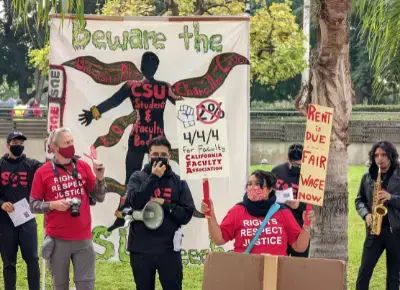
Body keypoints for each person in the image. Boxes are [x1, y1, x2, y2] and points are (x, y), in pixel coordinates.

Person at [29, 127, 107, 290]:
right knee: (60, 286)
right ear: (55, 147)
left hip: (83, 238)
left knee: (86, 285)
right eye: (66, 143)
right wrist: (52, 205)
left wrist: (100, 178)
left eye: (72, 142)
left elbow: (99, 196)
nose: (71, 146)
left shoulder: (83, 167)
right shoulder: (42, 172)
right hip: (57, 240)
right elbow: (33, 205)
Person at [127, 136, 195, 290]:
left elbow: (186, 214)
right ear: (149, 156)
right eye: (156, 154)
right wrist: (153, 177)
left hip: (169, 250)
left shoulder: (179, 181)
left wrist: (166, 204)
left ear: (169, 157)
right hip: (141, 249)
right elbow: (135, 202)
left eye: (164, 155)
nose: (160, 158)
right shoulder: (137, 177)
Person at [201, 170, 314, 255]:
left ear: (269, 189)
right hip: (245, 275)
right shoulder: (238, 210)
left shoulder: (282, 212)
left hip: (275, 275)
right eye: (250, 184)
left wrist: (306, 225)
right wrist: (211, 215)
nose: (253, 187)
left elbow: (300, 247)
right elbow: (219, 239)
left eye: (258, 184)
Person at [355, 141, 400, 290]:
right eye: (376, 155)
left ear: (391, 156)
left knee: (393, 278)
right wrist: (366, 214)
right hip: (374, 231)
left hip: (395, 233)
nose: (380, 158)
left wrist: (391, 197)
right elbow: (359, 200)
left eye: (384, 154)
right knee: (363, 275)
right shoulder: (367, 177)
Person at [0, 131, 42, 290]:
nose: (18, 146)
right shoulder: (0, 165)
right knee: (8, 262)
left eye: (21, 143)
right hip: (5, 221)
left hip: (27, 220)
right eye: (15, 143)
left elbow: (49, 169)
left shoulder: (31, 164)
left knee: (32, 259)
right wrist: (1, 203)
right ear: (7, 145)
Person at [271, 143, 310, 257]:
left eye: (300, 165)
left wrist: (299, 205)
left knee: (299, 266)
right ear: (287, 159)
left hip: (298, 225)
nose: (298, 168)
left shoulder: (309, 176)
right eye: (295, 165)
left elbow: (315, 203)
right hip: (278, 224)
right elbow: (267, 193)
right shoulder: (277, 171)